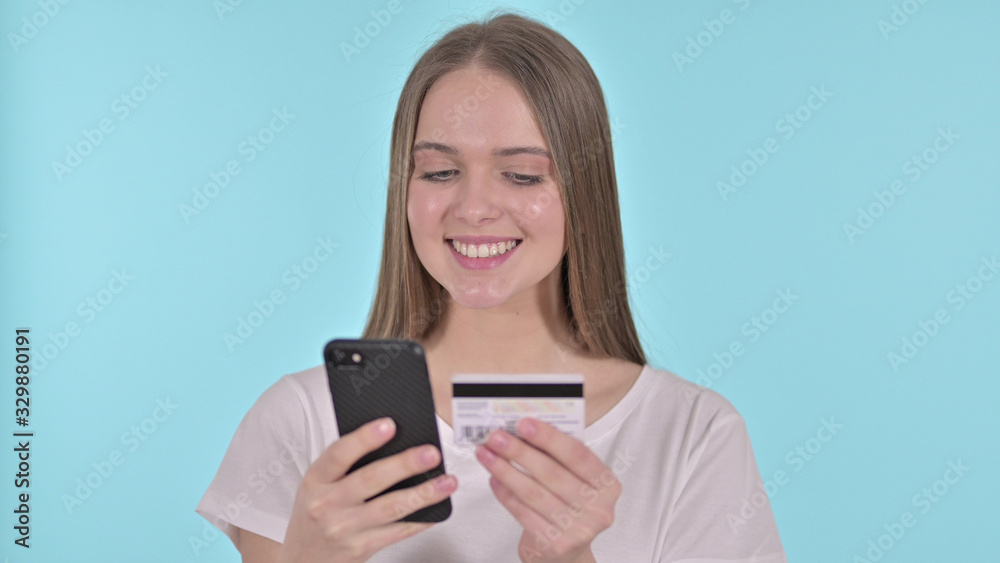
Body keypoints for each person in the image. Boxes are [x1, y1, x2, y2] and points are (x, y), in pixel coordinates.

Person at [196, 12, 786, 563]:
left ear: (585, 192)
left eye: (522, 175)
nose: (474, 208)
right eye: (441, 172)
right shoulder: (304, 421)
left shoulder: (692, 437)